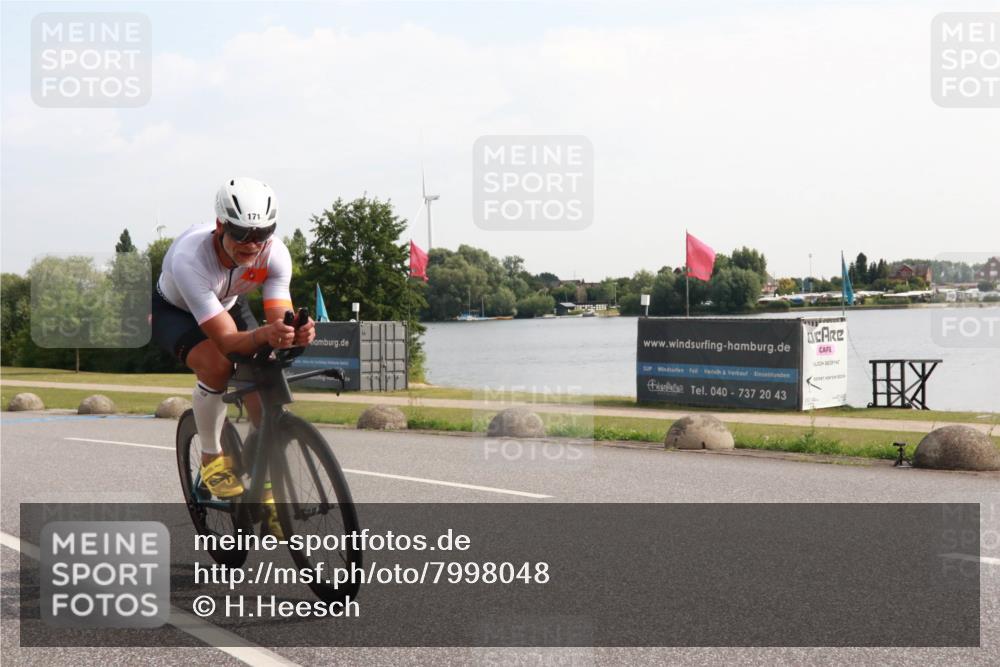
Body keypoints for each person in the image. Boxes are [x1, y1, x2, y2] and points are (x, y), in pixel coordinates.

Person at [152, 177, 315, 532]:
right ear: (220, 226)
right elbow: (226, 342)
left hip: (227, 301)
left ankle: (265, 488)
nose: (251, 244)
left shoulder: (275, 253)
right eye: (241, 234)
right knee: (218, 364)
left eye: (262, 233)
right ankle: (212, 457)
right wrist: (265, 335)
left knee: (266, 375)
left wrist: (293, 333)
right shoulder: (190, 259)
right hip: (176, 311)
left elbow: (276, 321)